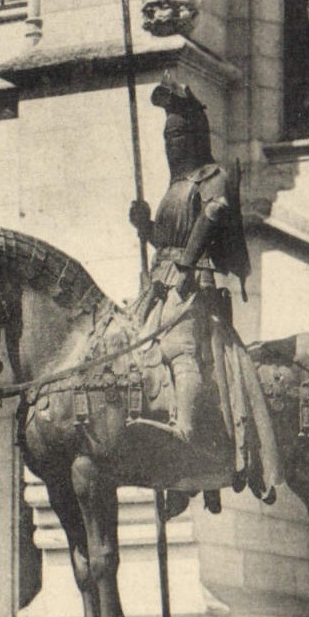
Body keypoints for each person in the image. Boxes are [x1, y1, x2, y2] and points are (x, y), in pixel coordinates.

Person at [129, 78, 279, 504]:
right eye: (167, 137)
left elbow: (215, 212)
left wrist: (187, 262)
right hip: (160, 281)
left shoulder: (213, 175)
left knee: (180, 350)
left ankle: (187, 437)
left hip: (198, 282)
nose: (171, 144)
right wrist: (145, 227)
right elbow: (165, 238)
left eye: (178, 135)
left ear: (195, 137)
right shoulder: (173, 187)